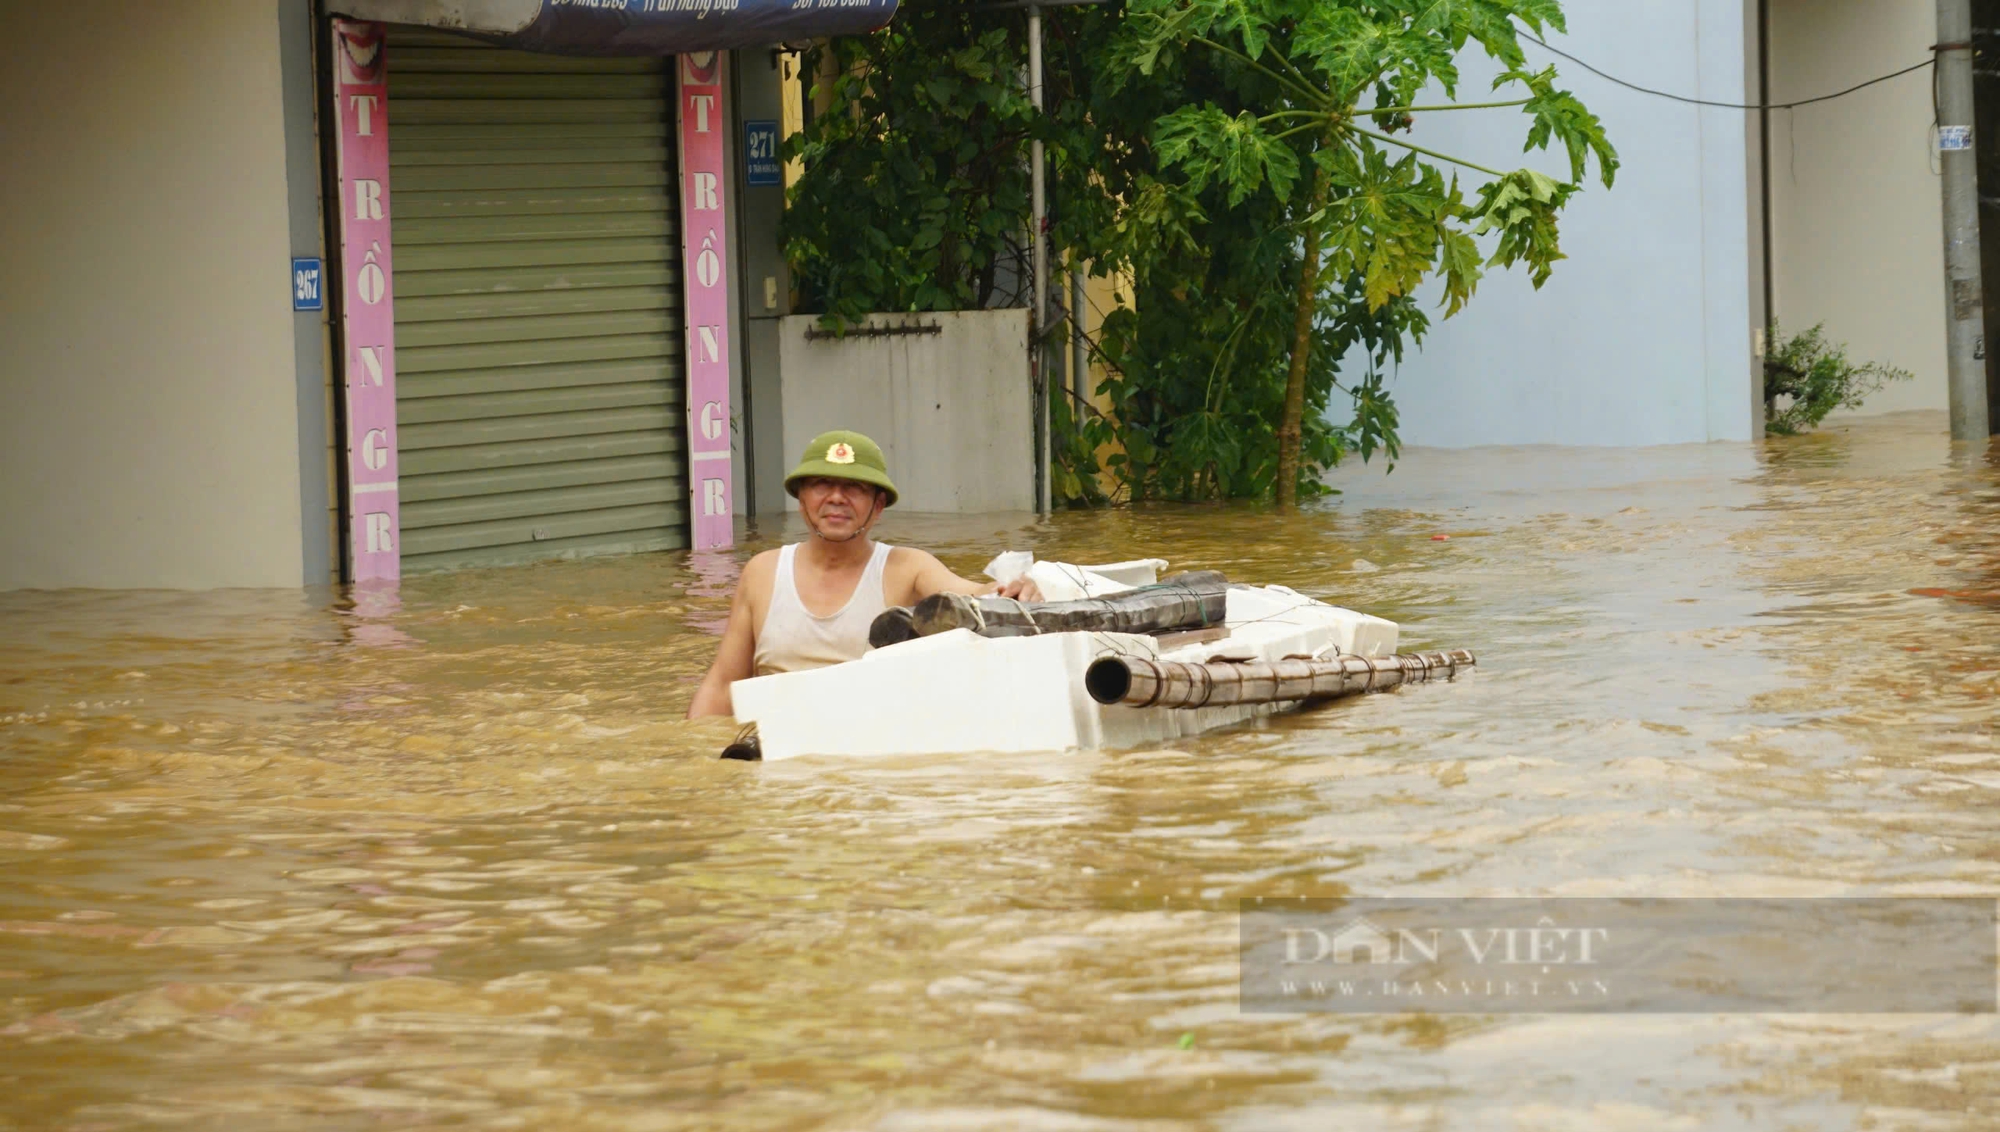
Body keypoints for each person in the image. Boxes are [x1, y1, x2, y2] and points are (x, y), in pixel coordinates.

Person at [686, 430, 1040, 718]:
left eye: (854, 488)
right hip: (776, 746)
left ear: (879, 505)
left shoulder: (906, 569)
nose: (837, 498)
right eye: (823, 484)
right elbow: (722, 685)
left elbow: (971, 595)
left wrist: (1012, 589)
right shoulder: (762, 572)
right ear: (801, 498)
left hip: (865, 744)